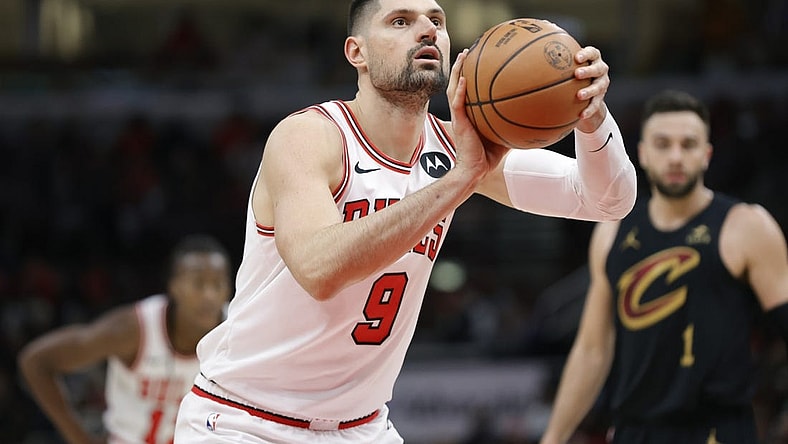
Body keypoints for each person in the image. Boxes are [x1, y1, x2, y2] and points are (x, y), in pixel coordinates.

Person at [174, 1, 637, 443]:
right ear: (357, 52)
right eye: (400, 21)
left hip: (363, 427)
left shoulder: (457, 147)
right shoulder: (311, 136)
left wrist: (592, 119)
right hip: (245, 421)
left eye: (436, 19)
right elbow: (319, 269)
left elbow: (607, 201)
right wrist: (459, 181)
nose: (427, 30)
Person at [539, 89, 788, 444]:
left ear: (707, 154)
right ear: (642, 153)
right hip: (634, 431)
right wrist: (553, 437)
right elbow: (593, 350)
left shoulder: (746, 225)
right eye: (663, 144)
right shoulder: (612, 231)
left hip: (718, 430)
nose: (675, 157)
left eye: (688, 145)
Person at [18, 234, 233, 444]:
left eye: (218, 284)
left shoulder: (237, 331)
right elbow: (36, 362)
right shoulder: (134, 329)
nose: (209, 295)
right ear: (174, 286)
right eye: (198, 284)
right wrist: (79, 438)